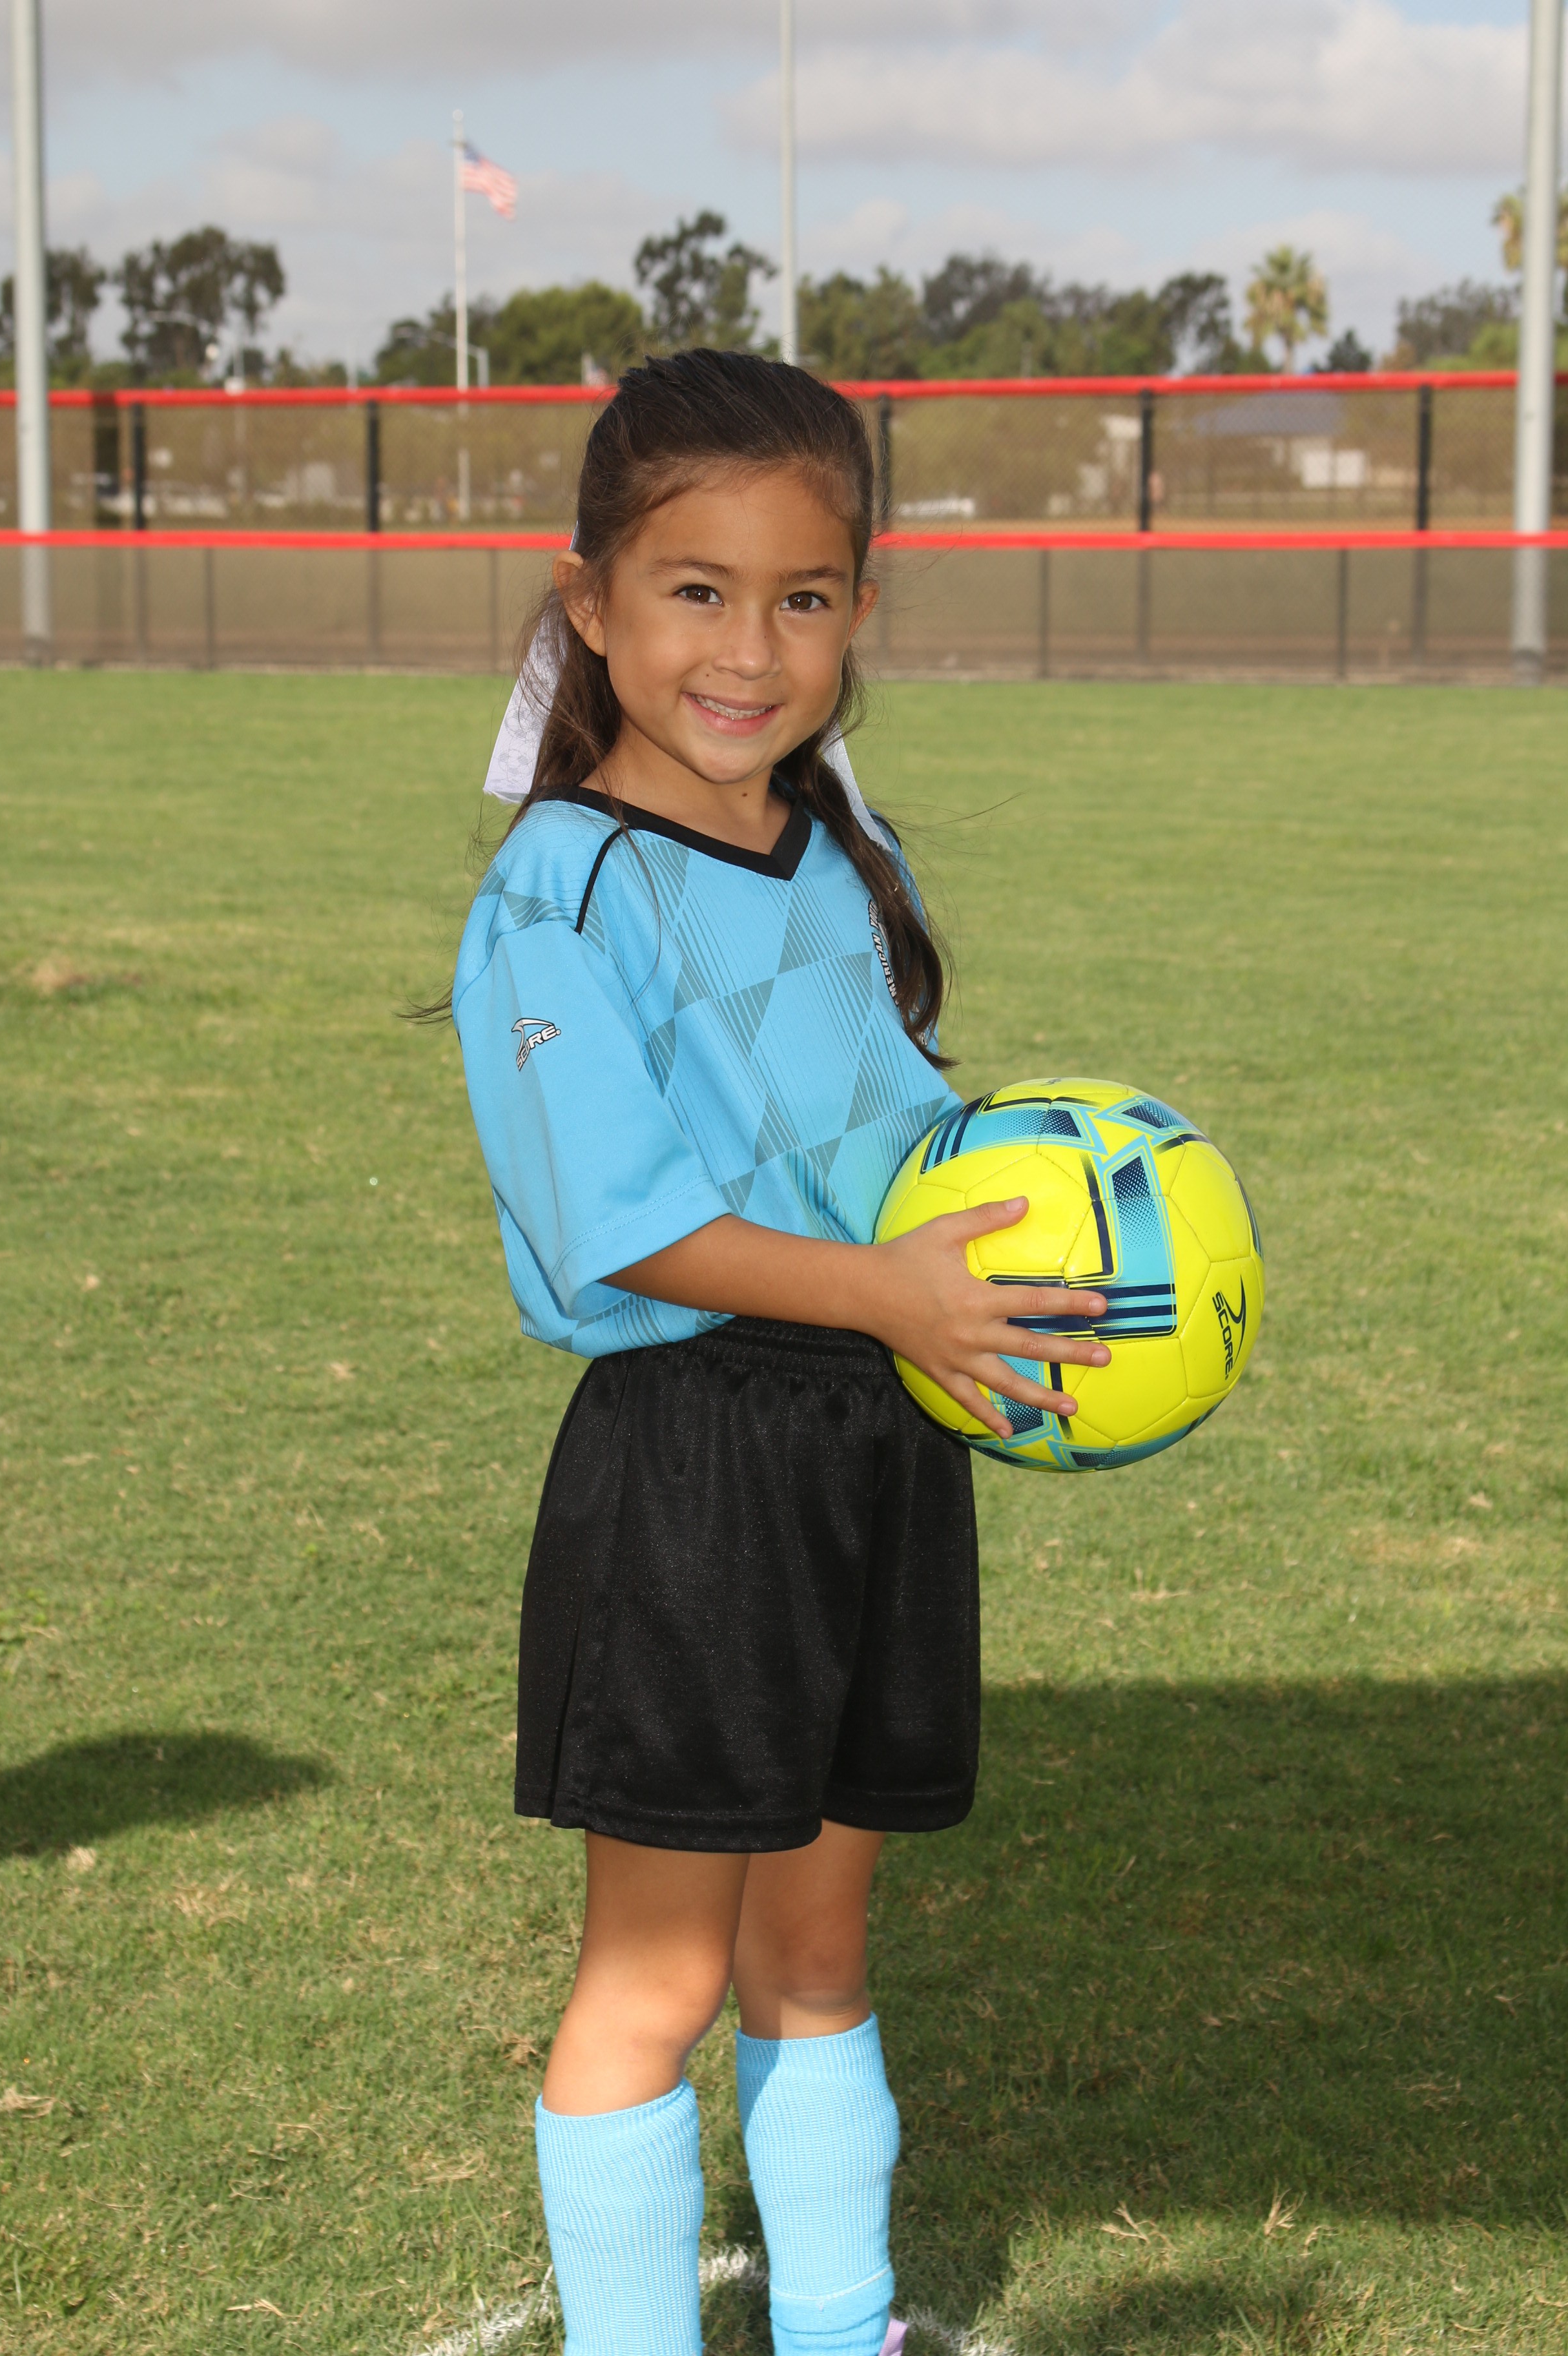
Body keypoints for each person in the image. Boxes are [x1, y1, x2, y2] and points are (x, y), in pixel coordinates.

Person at [451, 350, 1108, 2356]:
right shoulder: (561, 887)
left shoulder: (839, 836)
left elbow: (893, 1138)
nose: (749, 649)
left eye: (802, 597)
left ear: (859, 610)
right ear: (591, 604)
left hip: (875, 1438)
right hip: (696, 1461)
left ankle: (843, 2327)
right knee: (656, 1979)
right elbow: (625, 1223)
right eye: (696, 590)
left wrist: (1037, 1258)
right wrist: (892, 1295)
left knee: (817, 1954)